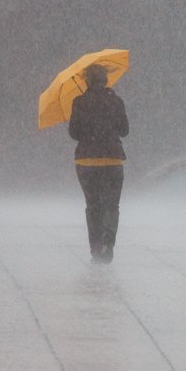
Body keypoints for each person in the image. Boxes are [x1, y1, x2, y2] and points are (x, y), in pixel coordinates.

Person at [69, 64, 129, 263]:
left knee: (93, 205)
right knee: (111, 205)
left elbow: (74, 134)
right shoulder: (116, 101)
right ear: (105, 80)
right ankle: (108, 242)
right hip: (112, 160)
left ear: (87, 80)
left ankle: (95, 248)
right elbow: (124, 130)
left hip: (87, 162)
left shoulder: (79, 102)